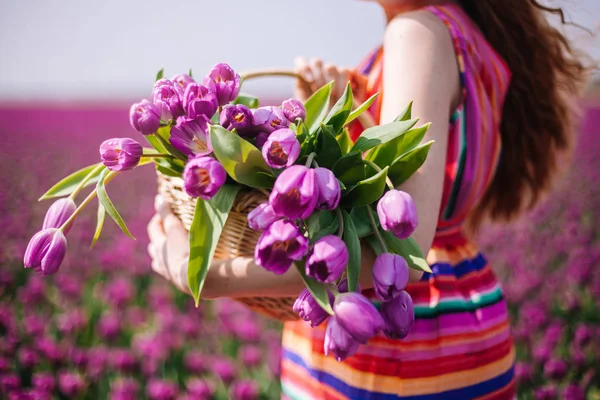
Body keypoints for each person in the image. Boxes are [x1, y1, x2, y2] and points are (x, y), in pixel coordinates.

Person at [147, 0, 588, 398]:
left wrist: (206, 275)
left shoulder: (416, 34)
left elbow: (398, 242)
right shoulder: (463, 35)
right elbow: (409, 181)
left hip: (398, 349)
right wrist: (334, 116)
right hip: (463, 312)